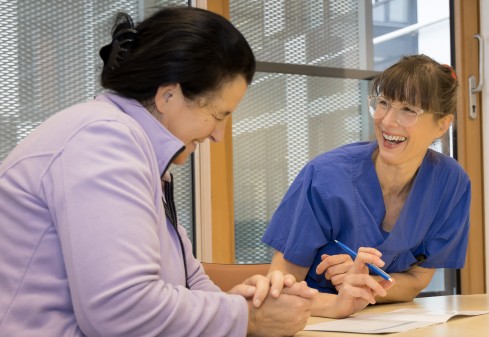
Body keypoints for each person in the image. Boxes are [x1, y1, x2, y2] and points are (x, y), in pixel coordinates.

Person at [0, 7, 316, 337]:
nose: (218, 135)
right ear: (168, 95)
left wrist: (245, 302)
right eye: (218, 114)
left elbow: (188, 280)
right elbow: (122, 309)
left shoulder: (139, 153)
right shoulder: (103, 140)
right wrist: (246, 318)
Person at [262, 54, 471, 318]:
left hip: (379, 320)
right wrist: (339, 303)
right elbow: (279, 293)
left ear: (442, 124)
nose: (386, 121)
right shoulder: (325, 177)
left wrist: (362, 285)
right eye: (383, 103)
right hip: (311, 321)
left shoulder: (450, 183)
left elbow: (417, 281)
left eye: (408, 110)